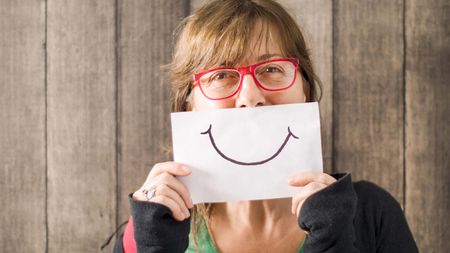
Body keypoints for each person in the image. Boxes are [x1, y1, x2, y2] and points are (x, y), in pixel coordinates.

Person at [113, 0, 418, 252]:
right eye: (221, 75)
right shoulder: (146, 233)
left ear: (305, 92)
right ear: (188, 105)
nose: (250, 98)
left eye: (272, 69)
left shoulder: (370, 214)